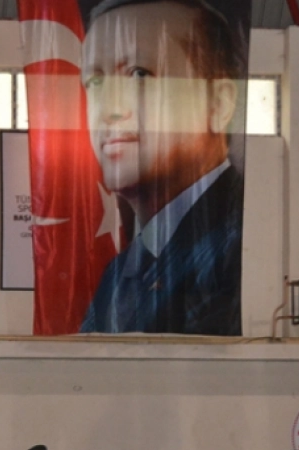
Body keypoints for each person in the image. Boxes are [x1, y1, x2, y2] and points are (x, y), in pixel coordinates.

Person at [78, 0, 246, 336]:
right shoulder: (117, 273)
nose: (109, 110)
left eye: (139, 73)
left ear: (219, 102)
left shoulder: (237, 248)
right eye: (95, 82)